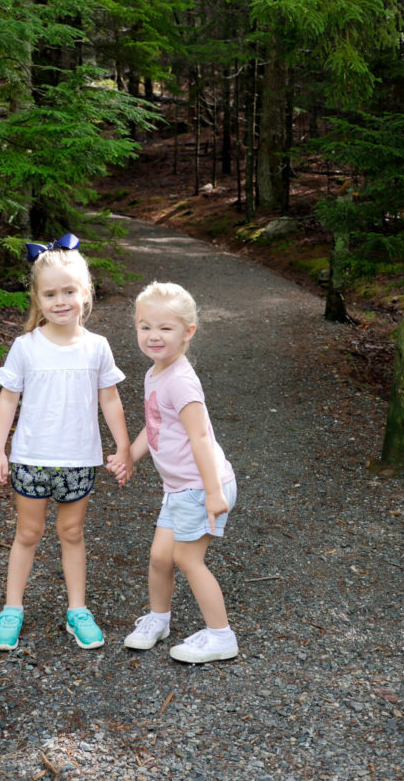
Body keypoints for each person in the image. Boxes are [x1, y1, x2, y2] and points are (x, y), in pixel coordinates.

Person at [0, 234, 131, 651]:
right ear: (37, 298)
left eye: (69, 291)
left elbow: (110, 398)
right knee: (28, 533)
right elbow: (7, 399)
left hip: (77, 461)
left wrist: (122, 447)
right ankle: (12, 608)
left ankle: (77, 609)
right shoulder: (26, 347)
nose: (60, 300)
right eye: (50, 294)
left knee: (72, 532)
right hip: (31, 459)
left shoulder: (97, 347)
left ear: (85, 293)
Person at [111, 281, 238, 664]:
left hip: (202, 487)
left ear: (188, 333)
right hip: (181, 488)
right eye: (145, 326)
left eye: (165, 328)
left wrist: (213, 492)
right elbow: (156, 427)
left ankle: (221, 636)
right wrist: (130, 456)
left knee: (187, 559)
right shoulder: (156, 373)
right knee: (160, 558)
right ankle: (159, 619)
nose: (153, 336)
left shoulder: (181, 381)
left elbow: (200, 437)